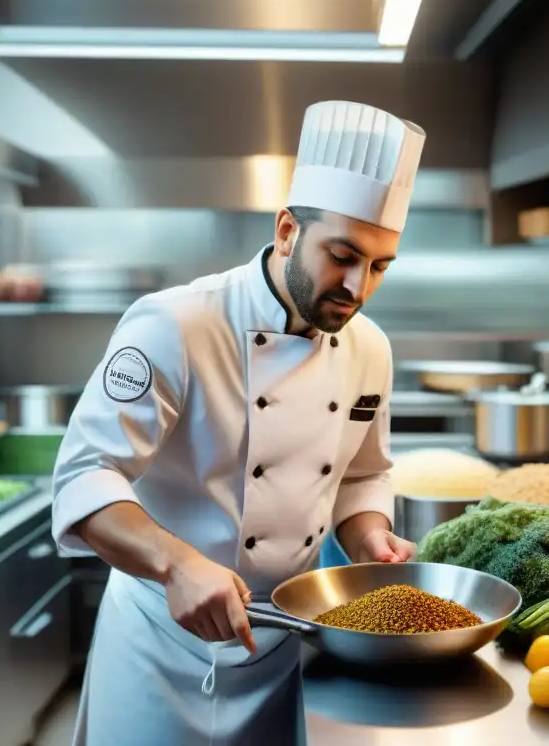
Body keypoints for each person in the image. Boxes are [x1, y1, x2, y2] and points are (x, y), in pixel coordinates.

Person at [51, 100, 428, 746]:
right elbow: (85, 479)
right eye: (343, 255)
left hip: (283, 645)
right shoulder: (177, 325)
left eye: (380, 266)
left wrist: (371, 538)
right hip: (160, 655)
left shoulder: (371, 348)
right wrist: (175, 566)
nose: (359, 287)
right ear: (286, 230)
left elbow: (363, 474)